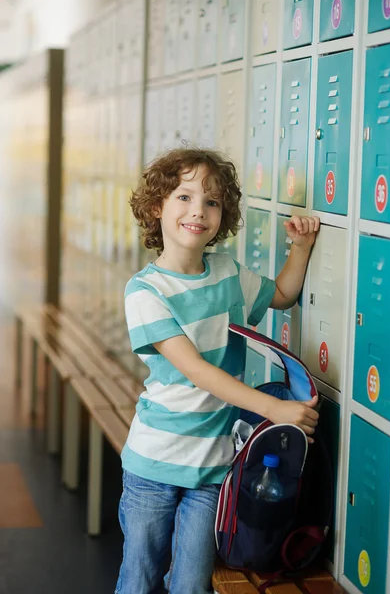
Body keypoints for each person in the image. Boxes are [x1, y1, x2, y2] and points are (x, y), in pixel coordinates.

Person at [115, 148, 320, 594]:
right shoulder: (145, 291)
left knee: (192, 585)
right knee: (140, 577)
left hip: (213, 467)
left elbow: (282, 294)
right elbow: (198, 371)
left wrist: (300, 247)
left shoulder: (228, 273)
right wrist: (274, 409)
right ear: (157, 207)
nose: (198, 211)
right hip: (154, 463)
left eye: (212, 202)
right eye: (184, 197)